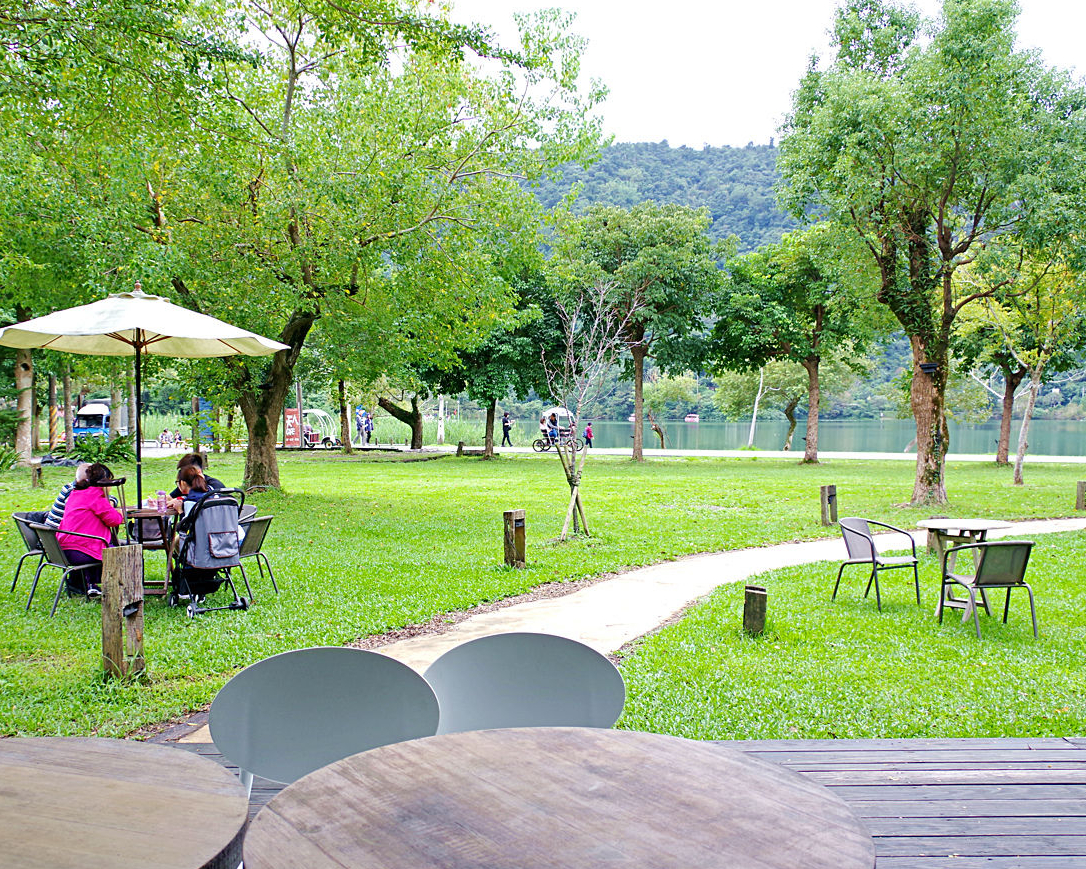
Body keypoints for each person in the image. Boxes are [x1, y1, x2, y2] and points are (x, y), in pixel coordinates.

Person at [56, 463, 123, 597]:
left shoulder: (76, 494)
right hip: (80, 552)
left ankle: (86, 583)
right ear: (104, 483)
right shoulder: (95, 496)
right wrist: (119, 512)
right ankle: (118, 586)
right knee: (120, 548)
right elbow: (115, 520)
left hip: (62, 550)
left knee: (102, 543)